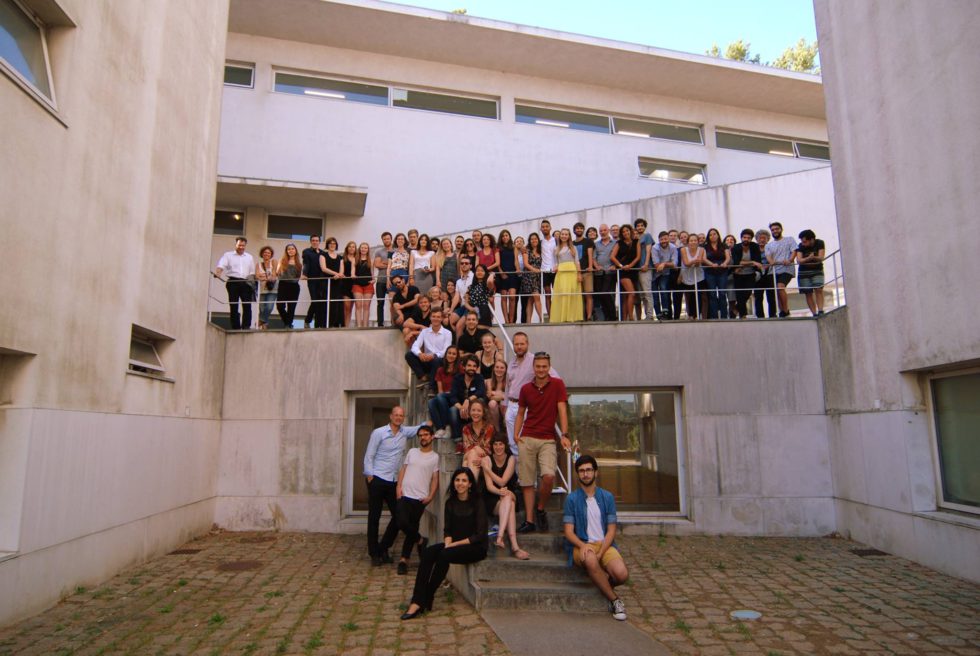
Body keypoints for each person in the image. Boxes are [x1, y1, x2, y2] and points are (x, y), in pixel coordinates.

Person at [401, 467, 487, 620]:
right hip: (454, 545)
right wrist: (448, 543)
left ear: (470, 484)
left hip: (475, 547)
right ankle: (417, 600)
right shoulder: (450, 503)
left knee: (443, 555)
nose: (460, 483)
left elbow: (480, 535)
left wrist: (453, 545)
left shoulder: (478, 502)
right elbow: (447, 530)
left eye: (464, 481)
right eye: (457, 480)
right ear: (453, 482)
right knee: (428, 552)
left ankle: (427, 597)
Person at [563, 454, 629, 622]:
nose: (585, 474)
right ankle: (615, 601)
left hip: (604, 544)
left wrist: (602, 551)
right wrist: (582, 545)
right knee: (591, 560)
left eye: (589, 470)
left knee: (621, 575)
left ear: (596, 473)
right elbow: (569, 531)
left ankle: (601, 581)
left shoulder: (607, 497)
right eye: (582, 471)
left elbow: (611, 530)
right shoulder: (572, 499)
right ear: (577, 474)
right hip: (582, 544)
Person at [363, 406, 429, 566]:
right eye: (396, 415)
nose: (399, 418)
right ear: (391, 416)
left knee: (399, 518)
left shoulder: (404, 432)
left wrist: (430, 422)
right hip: (377, 479)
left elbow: (421, 428)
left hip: (393, 482)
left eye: (401, 416)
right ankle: (374, 554)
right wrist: (370, 476)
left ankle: (383, 548)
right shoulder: (379, 433)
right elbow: (369, 455)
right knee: (374, 518)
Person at [514, 352, 571, 533]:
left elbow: (562, 409)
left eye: (544, 366)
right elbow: (521, 412)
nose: (541, 369)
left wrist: (564, 434)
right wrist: (516, 435)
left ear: (549, 367)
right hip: (528, 437)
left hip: (547, 439)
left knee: (548, 476)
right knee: (527, 481)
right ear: (533, 367)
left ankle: (540, 508)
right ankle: (530, 521)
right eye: (538, 366)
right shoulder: (525, 389)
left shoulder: (557, 385)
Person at [394, 425, 440, 575]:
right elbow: (403, 469)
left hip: (420, 498)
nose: (423, 438)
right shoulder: (412, 452)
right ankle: (420, 540)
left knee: (411, 527)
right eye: (420, 435)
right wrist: (398, 487)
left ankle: (403, 560)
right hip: (405, 494)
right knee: (401, 522)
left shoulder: (435, 457)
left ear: (432, 437)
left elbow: (435, 478)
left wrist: (431, 496)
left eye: (426, 435)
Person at [482, 435, 528, 560]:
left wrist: (487, 470)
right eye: (495, 444)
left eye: (501, 444)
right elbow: (489, 486)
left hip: (508, 493)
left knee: (508, 497)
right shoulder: (487, 459)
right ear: (492, 446)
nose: (498, 447)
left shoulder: (511, 459)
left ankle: (500, 537)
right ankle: (514, 547)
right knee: (509, 501)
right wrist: (500, 492)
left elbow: (503, 482)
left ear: (505, 445)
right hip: (492, 498)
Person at [215, 237, 256, 330]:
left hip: (245, 283)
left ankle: (246, 326)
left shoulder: (249, 257)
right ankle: (235, 326)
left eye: (243, 245)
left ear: (245, 246)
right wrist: (218, 273)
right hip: (233, 282)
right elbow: (221, 265)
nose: (241, 247)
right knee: (234, 305)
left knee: (247, 305)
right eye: (239, 245)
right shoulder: (228, 255)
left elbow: (252, 272)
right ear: (236, 245)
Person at [404, 308, 452, 387]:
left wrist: (433, 355)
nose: (435, 319)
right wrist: (420, 354)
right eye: (433, 316)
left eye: (438, 317)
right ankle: (423, 377)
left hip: (439, 361)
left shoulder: (447, 333)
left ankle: (431, 386)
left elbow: (446, 351)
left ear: (442, 318)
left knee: (437, 360)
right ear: (430, 318)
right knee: (409, 355)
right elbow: (415, 346)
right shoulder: (424, 332)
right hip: (426, 360)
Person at [449, 354, 487, 440]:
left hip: (474, 408)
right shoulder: (457, 378)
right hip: (461, 408)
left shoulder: (479, 377)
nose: (472, 368)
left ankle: (477, 435)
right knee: (452, 410)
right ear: (464, 367)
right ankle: (457, 439)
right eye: (469, 365)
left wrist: (468, 400)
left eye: (474, 366)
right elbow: (453, 397)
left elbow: (481, 391)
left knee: (480, 400)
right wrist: (461, 408)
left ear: (477, 368)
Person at [550, 227, 583, 323]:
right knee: (562, 293)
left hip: (572, 271)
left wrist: (579, 274)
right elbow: (555, 262)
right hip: (561, 273)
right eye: (562, 234)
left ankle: (571, 317)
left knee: (572, 294)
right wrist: (555, 267)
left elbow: (577, 261)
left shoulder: (573, 248)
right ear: (559, 236)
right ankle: (562, 317)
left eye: (566, 234)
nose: (564, 236)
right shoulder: (556, 249)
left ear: (569, 236)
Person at [765, 221, 798, 318]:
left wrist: (790, 260)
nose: (775, 231)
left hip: (786, 268)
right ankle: (782, 311)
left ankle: (786, 310)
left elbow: (794, 251)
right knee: (777, 291)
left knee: (780, 287)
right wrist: (771, 262)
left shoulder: (789, 239)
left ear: (781, 229)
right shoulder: (769, 245)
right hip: (774, 270)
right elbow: (768, 256)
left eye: (776, 229)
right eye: (773, 230)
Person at [730, 229, 764, 319]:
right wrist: (752, 262)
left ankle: (735, 310)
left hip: (750, 274)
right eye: (744, 237)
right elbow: (737, 262)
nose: (746, 239)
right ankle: (743, 315)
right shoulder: (736, 247)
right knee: (740, 295)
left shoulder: (754, 246)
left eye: (748, 238)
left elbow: (758, 261)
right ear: (741, 238)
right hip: (738, 274)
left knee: (747, 293)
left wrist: (748, 263)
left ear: (751, 239)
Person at [427, 345, 460, 438]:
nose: (451, 355)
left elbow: (461, 387)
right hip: (444, 397)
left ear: (457, 356)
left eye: (454, 354)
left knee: (440, 396)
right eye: (449, 353)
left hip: (455, 396)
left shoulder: (460, 369)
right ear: (446, 355)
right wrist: (444, 395)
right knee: (431, 402)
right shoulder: (440, 370)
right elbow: (440, 390)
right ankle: (440, 428)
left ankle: (447, 426)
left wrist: (450, 394)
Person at [611, 225, 640, 321]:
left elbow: (638, 257)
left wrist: (630, 266)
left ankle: (624, 318)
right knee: (632, 293)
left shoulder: (636, 242)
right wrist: (621, 266)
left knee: (627, 295)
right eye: (623, 232)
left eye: (627, 231)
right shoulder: (619, 243)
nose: (625, 233)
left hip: (633, 270)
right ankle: (631, 317)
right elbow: (612, 257)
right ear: (621, 234)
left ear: (630, 231)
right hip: (623, 272)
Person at [795, 229, 826, 315]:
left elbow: (821, 257)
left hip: (817, 270)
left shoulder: (819, 243)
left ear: (812, 239)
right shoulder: (800, 246)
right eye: (802, 241)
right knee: (808, 292)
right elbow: (799, 260)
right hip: (804, 272)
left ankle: (820, 310)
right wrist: (809, 258)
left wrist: (812, 258)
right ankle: (814, 313)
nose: (803, 243)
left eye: (805, 241)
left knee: (818, 289)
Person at [703, 228, 731, 319]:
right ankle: (714, 316)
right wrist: (711, 264)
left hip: (722, 271)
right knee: (712, 294)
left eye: (714, 234)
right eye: (710, 235)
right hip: (710, 272)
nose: (713, 236)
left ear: (718, 235)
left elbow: (728, 257)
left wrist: (725, 263)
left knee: (723, 293)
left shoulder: (724, 245)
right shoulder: (705, 247)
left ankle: (724, 316)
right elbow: (704, 258)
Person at [319, 237, 345, 328]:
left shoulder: (340, 257)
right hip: (327, 283)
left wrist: (339, 275)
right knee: (327, 304)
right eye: (330, 243)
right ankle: (325, 325)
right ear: (327, 245)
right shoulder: (323, 255)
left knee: (336, 305)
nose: (332, 245)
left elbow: (342, 271)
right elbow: (324, 268)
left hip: (337, 283)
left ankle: (334, 324)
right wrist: (336, 274)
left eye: (334, 243)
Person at [461, 398, 494, 471]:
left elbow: (488, 451)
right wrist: (476, 447)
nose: (475, 413)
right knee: (470, 455)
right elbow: (466, 450)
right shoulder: (466, 429)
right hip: (469, 455)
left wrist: (475, 449)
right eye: (473, 410)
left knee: (466, 463)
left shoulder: (489, 428)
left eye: (479, 411)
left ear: (483, 413)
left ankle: (471, 482)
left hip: (486, 458)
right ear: (469, 412)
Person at [593, 224, 617, 321]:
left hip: (610, 272)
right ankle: (607, 316)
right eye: (601, 231)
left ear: (608, 230)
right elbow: (594, 257)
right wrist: (596, 266)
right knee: (601, 294)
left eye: (604, 230)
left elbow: (617, 256)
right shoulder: (596, 244)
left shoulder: (615, 243)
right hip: (599, 272)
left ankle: (612, 315)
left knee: (606, 293)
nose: (602, 232)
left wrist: (615, 265)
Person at [679, 233, 706, 319]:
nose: (693, 242)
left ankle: (698, 314)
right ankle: (691, 315)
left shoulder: (701, 249)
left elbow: (698, 264)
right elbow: (686, 263)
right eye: (691, 240)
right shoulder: (683, 249)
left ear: (698, 242)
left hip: (698, 275)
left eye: (695, 240)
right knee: (689, 296)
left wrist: (694, 262)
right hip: (687, 275)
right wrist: (695, 261)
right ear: (688, 242)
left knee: (698, 295)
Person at [572, 222, 596, 322]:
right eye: (577, 228)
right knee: (578, 296)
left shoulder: (588, 241)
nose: (579, 230)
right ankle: (579, 316)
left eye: (581, 228)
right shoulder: (572, 243)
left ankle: (589, 316)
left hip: (586, 271)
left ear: (583, 230)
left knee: (588, 294)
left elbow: (590, 254)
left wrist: (590, 266)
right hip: (575, 272)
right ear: (574, 230)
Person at [651, 231, 677, 320]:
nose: (664, 241)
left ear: (668, 239)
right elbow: (656, 265)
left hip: (666, 273)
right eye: (662, 239)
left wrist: (664, 264)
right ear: (659, 240)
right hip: (654, 274)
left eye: (665, 239)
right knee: (654, 294)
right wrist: (665, 264)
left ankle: (665, 311)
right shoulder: (655, 248)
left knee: (663, 288)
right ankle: (658, 313)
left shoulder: (673, 247)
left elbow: (674, 264)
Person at [302, 235, 326, 328]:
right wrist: (304, 274)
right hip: (312, 280)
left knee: (320, 301)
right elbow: (306, 264)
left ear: (319, 242)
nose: (315, 242)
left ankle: (318, 324)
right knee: (315, 301)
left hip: (322, 280)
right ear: (311, 242)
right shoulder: (307, 252)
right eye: (313, 240)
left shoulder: (323, 253)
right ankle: (308, 320)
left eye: (317, 240)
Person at [276, 243, 302, 329]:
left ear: (295, 251)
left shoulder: (299, 263)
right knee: (280, 306)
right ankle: (288, 322)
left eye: (292, 249)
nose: (291, 250)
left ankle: (288, 325)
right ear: (286, 251)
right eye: (289, 249)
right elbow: (278, 273)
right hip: (283, 285)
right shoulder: (282, 260)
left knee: (291, 307)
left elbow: (298, 276)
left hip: (294, 286)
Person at [633, 218, 655, 320]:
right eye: (638, 226)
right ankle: (642, 316)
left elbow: (648, 250)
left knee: (647, 292)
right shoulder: (635, 238)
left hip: (645, 267)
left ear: (644, 227)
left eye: (641, 225)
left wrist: (646, 264)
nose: (640, 227)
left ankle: (649, 315)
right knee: (641, 294)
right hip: (636, 269)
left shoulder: (647, 236)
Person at [520, 232, 543, 323]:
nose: (534, 240)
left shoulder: (541, 251)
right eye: (532, 239)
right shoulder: (526, 250)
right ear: (529, 241)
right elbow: (526, 264)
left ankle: (529, 320)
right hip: (529, 276)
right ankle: (541, 318)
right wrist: (534, 269)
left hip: (537, 277)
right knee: (536, 297)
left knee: (531, 300)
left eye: (536, 238)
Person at [496, 230, 518, 323]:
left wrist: (518, 269)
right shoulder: (498, 248)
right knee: (504, 297)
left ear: (509, 236)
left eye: (507, 235)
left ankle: (511, 320)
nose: (505, 237)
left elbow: (516, 260)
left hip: (512, 273)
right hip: (503, 274)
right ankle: (506, 320)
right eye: (503, 236)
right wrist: (501, 273)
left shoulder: (514, 247)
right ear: (501, 238)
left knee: (512, 297)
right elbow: (497, 263)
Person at [463, 263, 494, 328]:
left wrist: (492, 274)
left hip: (484, 311)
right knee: (471, 334)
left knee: (482, 334)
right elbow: (465, 302)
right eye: (477, 270)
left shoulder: (487, 285)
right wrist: (471, 309)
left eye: (482, 271)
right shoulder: (470, 287)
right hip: (472, 312)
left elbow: (490, 281)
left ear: (485, 273)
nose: (479, 272)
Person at [754, 229, 777, 318]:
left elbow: (774, 258)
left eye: (764, 238)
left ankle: (773, 314)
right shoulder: (754, 248)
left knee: (771, 295)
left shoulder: (771, 247)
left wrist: (767, 265)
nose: (762, 240)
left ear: (768, 239)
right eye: (760, 238)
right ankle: (760, 316)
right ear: (757, 239)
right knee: (758, 296)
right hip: (758, 273)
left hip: (769, 272)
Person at [255, 245, 279, 330]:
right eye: (265, 252)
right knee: (261, 308)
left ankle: (261, 320)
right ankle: (264, 324)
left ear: (271, 254)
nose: (267, 254)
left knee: (269, 307)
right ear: (262, 253)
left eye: (269, 253)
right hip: (262, 289)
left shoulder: (274, 261)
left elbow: (274, 275)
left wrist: (264, 277)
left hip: (273, 289)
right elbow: (257, 276)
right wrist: (267, 277)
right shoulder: (258, 264)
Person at [352, 242, 374, 328]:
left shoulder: (370, 260)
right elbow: (352, 272)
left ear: (368, 250)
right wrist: (353, 275)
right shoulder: (355, 259)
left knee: (366, 306)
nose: (363, 249)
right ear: (359, 249)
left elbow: (372, 273)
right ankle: (359, 326)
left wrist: (374, 280)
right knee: (358, 305)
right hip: (357, 284)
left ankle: (365, 326)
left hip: (368, 285)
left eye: (365, 248)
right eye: (362, 248)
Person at [373, 232, 393, 327]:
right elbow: (377, 265)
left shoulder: (395, 250)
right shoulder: (379, 251)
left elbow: (396, 265)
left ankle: (394, 322)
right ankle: (380, 323)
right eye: (384, 239)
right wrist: (389, 264)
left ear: (391, 239)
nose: (386, 240)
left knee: (393, 302)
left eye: (388, 238)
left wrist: (384, 263)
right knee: (380, 302)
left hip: (392, 280)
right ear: (382, 240)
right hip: (381, 280)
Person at [539, 220, 557, 315]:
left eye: (547, 226)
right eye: (543, 227)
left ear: (550, 228)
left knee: (557, 293)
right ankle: (550, 316)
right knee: (547, 294)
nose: (545, 228)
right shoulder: (540, 243)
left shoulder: (556, 240)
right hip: (544, 270)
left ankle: (557, 314)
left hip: (556, 270)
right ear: (541, 229)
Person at [485, 358, 508, 432]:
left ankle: (507, 430)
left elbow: (508, 397)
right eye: (497, 367)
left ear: (505, 370)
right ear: (494, 369)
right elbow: (490, 396)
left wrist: (495, 394)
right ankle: (497, 430)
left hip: (505, 407)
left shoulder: (509, 382)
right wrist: (502, 396)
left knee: (503, 404)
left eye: (502, 368)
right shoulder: (489, 381)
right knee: (492, 403)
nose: (499, 369)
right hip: (493, 409)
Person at [340, 241, 358, 326]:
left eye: (353, 247)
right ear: (347, 248)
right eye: (350, 247)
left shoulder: (357, 259)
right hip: (345, 283)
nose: (351, 248)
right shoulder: (343, 259)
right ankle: (343, 325)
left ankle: (347, 326)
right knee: (346, 306)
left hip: (355, 284)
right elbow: (341, 271)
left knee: (350, 307)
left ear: (355, 249)